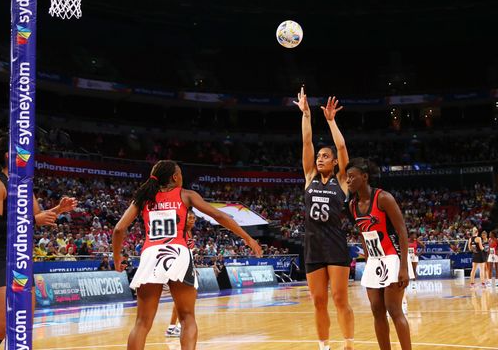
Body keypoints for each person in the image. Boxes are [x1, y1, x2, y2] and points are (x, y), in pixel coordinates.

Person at [112, 160, 262, 350]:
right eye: (181, 173)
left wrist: (117, 258)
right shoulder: (186, 195)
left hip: (151, 254)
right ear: (175, 177)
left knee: (142, 323)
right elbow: (221, 216)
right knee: (187, 317)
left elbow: (119, 229)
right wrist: (248, 239)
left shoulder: (143, 197)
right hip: (178, 253)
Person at [0, 136, 77, 350]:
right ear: (8, 156)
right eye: (21, 151)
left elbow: (38, 216)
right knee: (2, 326)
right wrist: (34, 220)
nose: (27, 154)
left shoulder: (23, 184)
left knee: (23, 323)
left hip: (20, 260)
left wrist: (58, 209)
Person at [295, 87, 355, 350]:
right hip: (313, 245)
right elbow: (306, 142)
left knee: (340, 298)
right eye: (319, 156)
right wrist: (306, 114)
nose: (320, 158)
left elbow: (341, 146)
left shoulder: (342, 181)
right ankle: (324, 346)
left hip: (335, 244)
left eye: (325, 156)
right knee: (319, 301)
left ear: (334, 163)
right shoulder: (309, 177)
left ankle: (349, 343)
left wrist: (331, 121)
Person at [346, 158, 411, 350]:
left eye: (352, 177)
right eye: (346, 178)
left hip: (392, 257)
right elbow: (364, 234)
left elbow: (402, 232)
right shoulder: (352, 205)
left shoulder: (383, 198)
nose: (348, 181)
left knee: (394, 310)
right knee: (377, 311)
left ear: (364, 177)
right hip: (374, 261)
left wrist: (404, 267)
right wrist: (368, 261)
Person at [166, 211, 196, 338]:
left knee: (184, 299)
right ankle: (175, 326)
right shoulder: (180, 231)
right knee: (183, 299)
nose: (192, 220)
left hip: (188, 265)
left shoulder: (189, 232)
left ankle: (173, 327)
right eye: (189, 217)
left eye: (194, 218)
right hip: (179, 267)